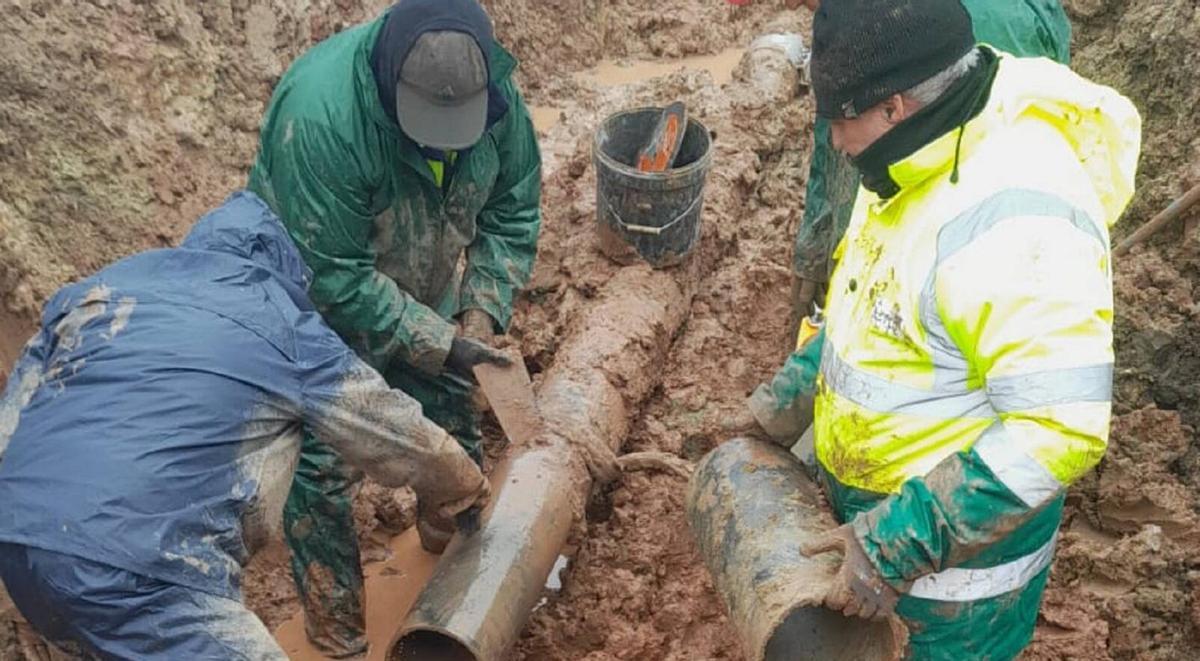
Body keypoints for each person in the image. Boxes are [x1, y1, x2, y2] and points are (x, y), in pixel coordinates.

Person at [744, 0, 1141, 658]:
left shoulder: (1020, 216)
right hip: (880, 534)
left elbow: (1060, 426)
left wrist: (902, 539)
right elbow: (870, 301)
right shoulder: (911, 154)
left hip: (959, 592)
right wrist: (790, 394)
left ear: (896, 104)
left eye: (843, 120)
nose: (836, 143)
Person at [0, 192, 492, 659]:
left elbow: (12, 423)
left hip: (19, 547)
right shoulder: (281, 325)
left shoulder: (96, 297)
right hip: (143, 568)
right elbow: (391, 430)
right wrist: (463, 487)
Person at [246, 0, 542, 653]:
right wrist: (440, 340)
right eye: (428, 128)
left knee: (452, 421)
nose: (441, 143)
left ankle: (451, 565)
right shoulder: (321, 118)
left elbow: (514, 211)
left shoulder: (493, 100)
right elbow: (339, 278)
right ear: (390, 85)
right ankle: (339, 634)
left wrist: (479, 313)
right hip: (312, 297)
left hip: (419, 279)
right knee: (320, 465)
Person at [791, 0, 1072, 324]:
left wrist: (864, 305)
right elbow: (844, 121)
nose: (791, 5)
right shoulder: (868, 23)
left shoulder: (962, 33)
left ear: (894, 107)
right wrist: (819, 237)